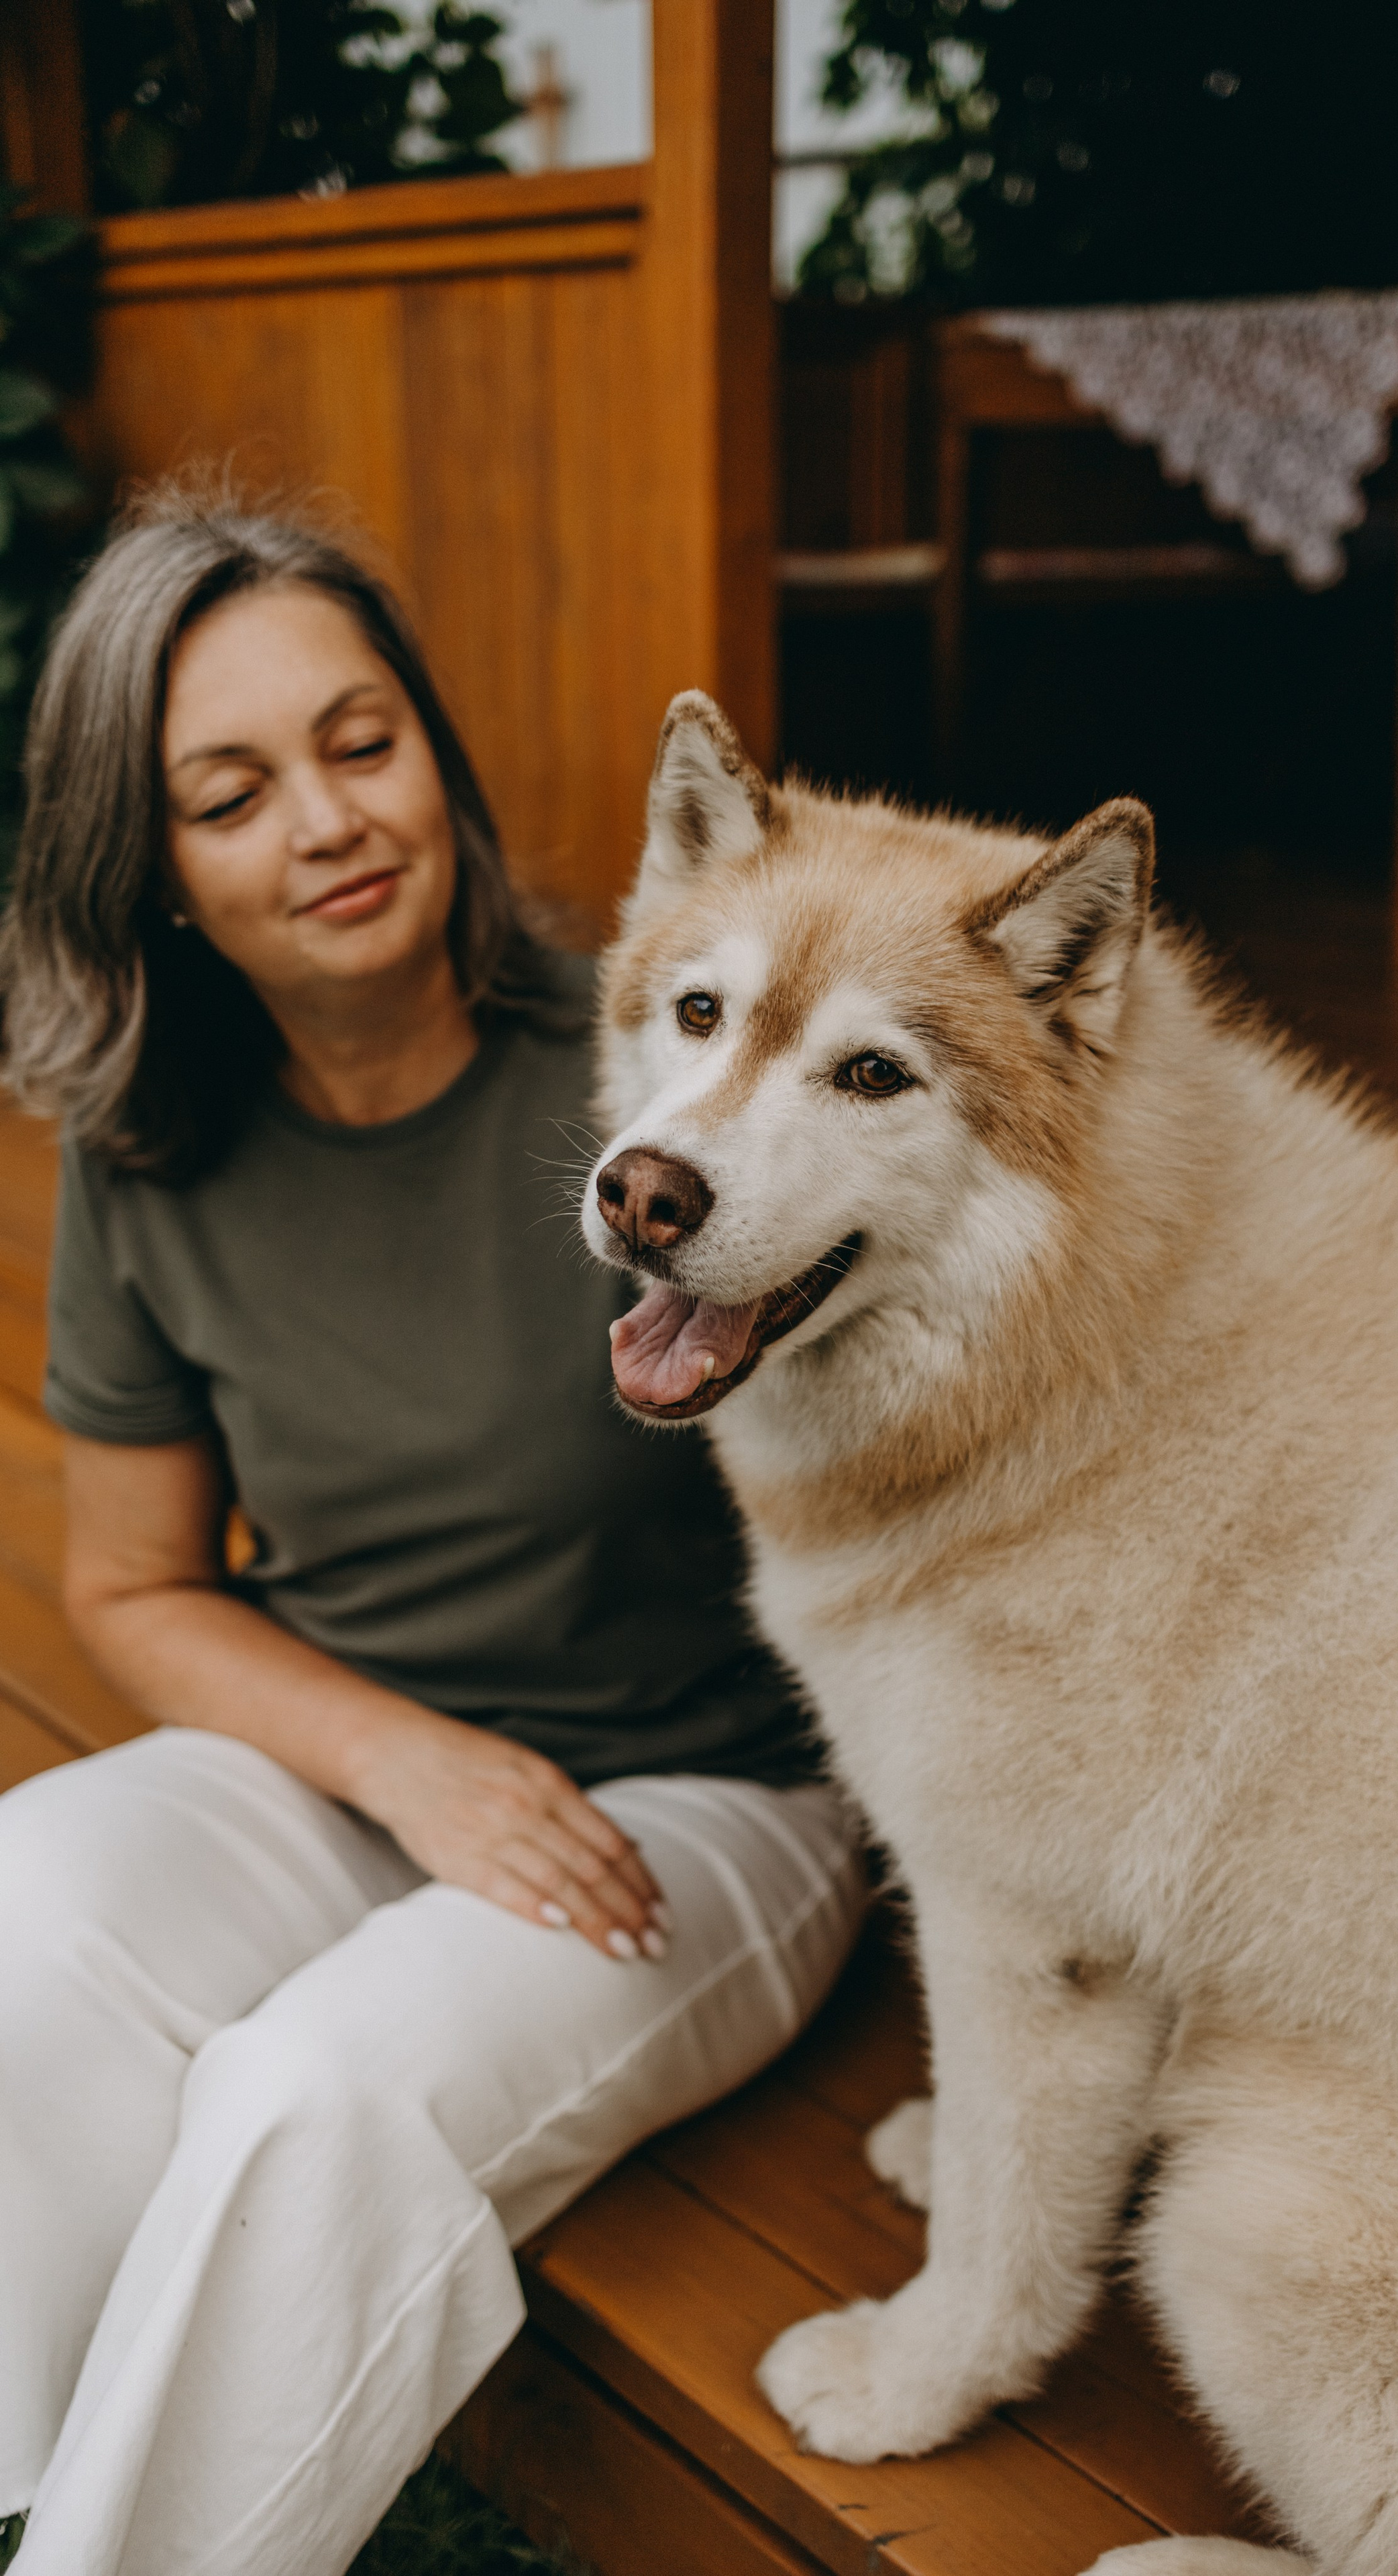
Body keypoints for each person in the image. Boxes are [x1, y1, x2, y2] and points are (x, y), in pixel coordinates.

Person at [0, 489, 866, 2576]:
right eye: (232, 794)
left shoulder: (664, 1083)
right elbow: (130, 1581)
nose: (326, 821)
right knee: (17, 1920)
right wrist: (405, 1762)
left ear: (437, 759)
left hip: (704, 1797)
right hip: (358, 1754)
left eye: (361, 740)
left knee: (314, 2093)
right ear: (157, 871)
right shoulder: (153, 1147)